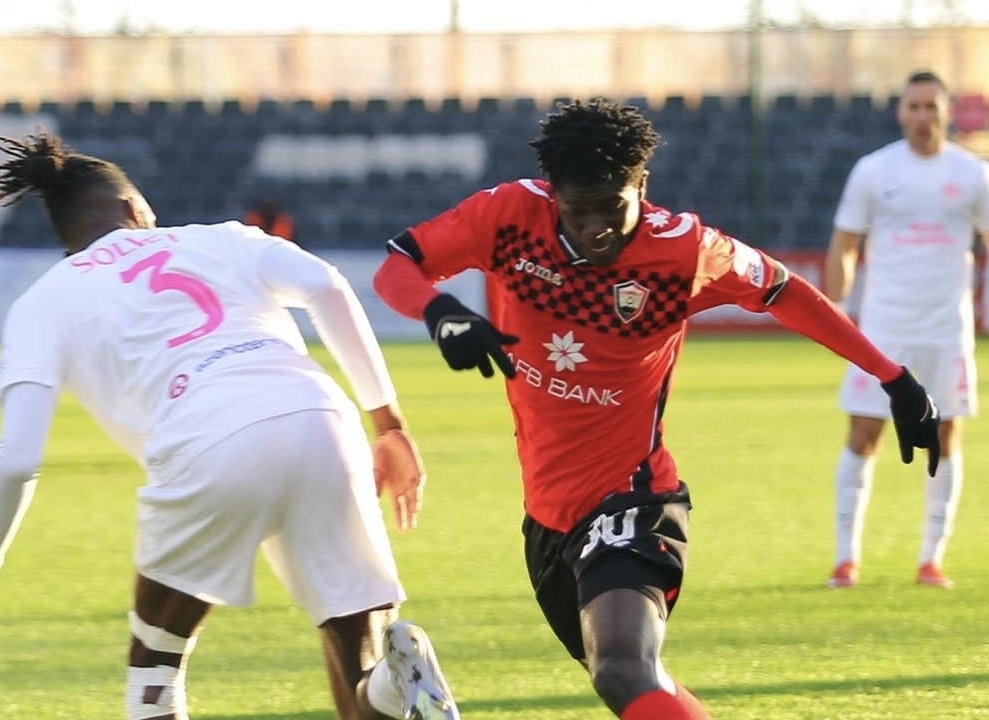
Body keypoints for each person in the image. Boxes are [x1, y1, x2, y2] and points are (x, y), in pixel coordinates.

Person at [372, 99, 941, 720]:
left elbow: (785, 291)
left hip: (634, 499)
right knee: (633, 682)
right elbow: (398, 267)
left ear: (642, 186)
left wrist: (892, 377)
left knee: (622, 668)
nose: (595, 228)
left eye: (611, 207)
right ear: (553, 195)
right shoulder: (507, 216)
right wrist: (441, 312)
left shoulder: (685, 251)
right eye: (578, 211)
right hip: (547, 519)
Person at [0, 132, 459, 720]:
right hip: (319, 418)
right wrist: (388, 424)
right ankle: (392, 689)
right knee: (362, 661)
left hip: (206, 440)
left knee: (156, 670)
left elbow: (16, 460)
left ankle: (386, 690)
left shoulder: (42, 302)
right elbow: (326, 286)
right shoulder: (221, 237)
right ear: (134, 209)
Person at [824, 70, 989, 590]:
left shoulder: (972, 174)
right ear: (900, 111)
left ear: (947, 112)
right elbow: (845, 242)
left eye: (930, 107)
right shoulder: (874, 170)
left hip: (945, 329)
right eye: (913, 106)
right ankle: (846, 559)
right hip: (883, 330)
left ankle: (931, 559)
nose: (922, 116)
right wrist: (835, 309)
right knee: (863, 434)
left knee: (945, 436)